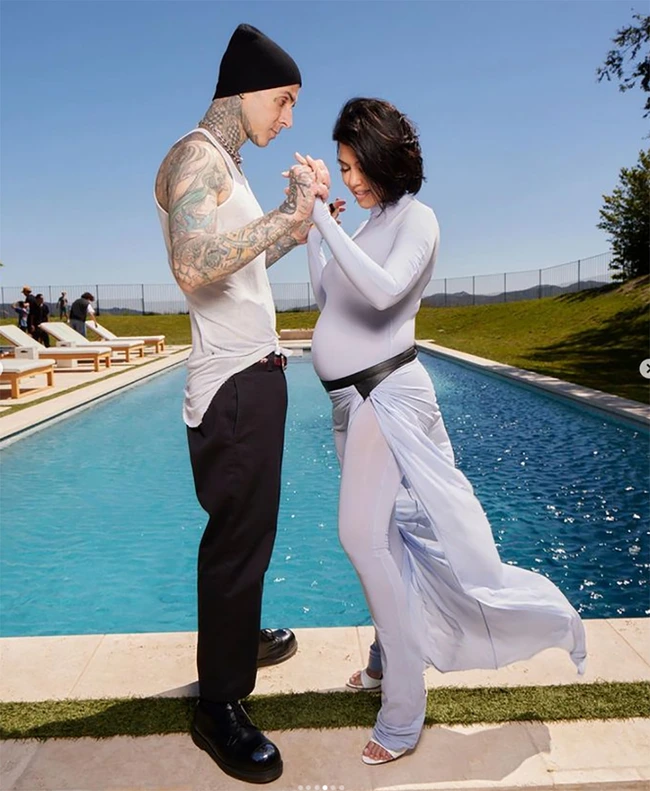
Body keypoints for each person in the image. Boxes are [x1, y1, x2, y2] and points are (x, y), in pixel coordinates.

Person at [304, 98, 587, 765]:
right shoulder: (368, 222)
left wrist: (320, 217)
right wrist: (324, 232)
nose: (349, 179)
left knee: (363, 537)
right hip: (350, 402)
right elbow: (330, 298)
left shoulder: (418, 219)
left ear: (383, 157)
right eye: (341, 168)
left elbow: (383, 293)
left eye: (355, 166)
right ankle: (384, 658)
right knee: (387, 538)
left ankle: (403, 713)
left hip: (387, 394)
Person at [153, 24, 329, 784]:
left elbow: (244, 262)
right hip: (230, 382)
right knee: (236, 537)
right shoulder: (195, 156)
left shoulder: (228, 166)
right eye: (284, 100)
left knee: (253, 530)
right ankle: (218, 705)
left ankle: (239, 635)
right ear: (248, 89)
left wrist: (298, 214)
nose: (287, 118)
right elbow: (194, 265)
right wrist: (288, 216)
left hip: (255, 373)